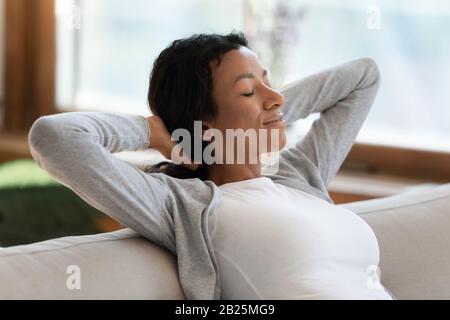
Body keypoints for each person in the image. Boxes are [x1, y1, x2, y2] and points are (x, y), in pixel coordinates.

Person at [28, 31, 396, 299]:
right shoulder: (183, 205)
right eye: (249, 91)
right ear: (204, 123)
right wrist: (157, 132)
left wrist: (266, 111)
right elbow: (55, 137)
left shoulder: (297, 175)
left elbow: (363, 77)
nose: (276, 95)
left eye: (270, 82)